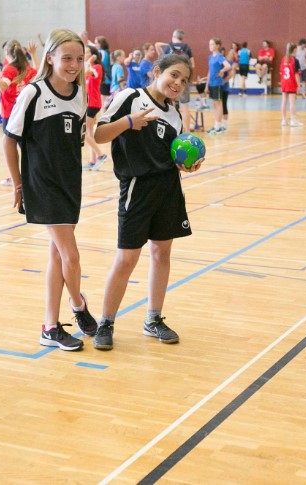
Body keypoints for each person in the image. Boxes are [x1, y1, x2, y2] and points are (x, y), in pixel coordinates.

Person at [91, 53, 203, 350]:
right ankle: (106, 322)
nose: (178, 83)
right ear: (157, 71)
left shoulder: (175, 115)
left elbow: (171, 155)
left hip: (168, 190)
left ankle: (153, 319)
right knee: (127, 259)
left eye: (184, 80)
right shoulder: (130, 97)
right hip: (136, 189)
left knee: (161, 254)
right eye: (174, 75)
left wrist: (185, 165)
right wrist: (129, 122)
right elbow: (99, 135)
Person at [3, 28, 99, 351]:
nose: (74, 65)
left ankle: (50, 326)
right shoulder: (33, 93)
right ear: (49, 58)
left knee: (57, 255)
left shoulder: (80, 95)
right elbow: (9, 139)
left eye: (79, 59)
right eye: (67, 58)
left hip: (70, 182)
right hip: (41, 185)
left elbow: (75, 141)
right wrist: (17, 183)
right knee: (71, 255)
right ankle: (78, 305)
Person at [0, 39, 36, 185]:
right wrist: (33, 55)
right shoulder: (26, 67)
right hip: (25, 112)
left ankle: (16, 178)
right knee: (25, 147)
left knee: (10, 146)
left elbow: (3, 86)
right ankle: (32, 175)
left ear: (7, 53)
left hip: (10, 113)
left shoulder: (10, 69)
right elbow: (38, 73)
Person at [155, 29, 195, 129]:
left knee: (170, 105)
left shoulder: (169, 46)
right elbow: (192, 65)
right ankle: (186, 131)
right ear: (182, 38)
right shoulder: (187, 47)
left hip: (170, 81)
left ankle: (171, 129)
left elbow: (160, 54)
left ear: (173, 36)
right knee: (185, 107)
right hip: (183, 81)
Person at [84, 46, 108, 170]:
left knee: (82, 132)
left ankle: (101, 155)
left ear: (93, 55)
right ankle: (92, 161)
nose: (85, 53)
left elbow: (91, 73)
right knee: (89, 132)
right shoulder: (88, 68)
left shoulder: (97, 67)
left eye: (87, 52)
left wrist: (89, 62)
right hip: (88, 103)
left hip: (93, 103)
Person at [206, 38, 231, 135]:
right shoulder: (210, 57)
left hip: (217, 83)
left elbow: (228, 66)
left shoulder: (219, 56)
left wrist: (222, 71)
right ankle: (216, 125)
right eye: (210, 44)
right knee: (214, 104)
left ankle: (218, 126)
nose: (210, 46)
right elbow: (209, 71)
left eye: (212, 44)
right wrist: (207, 85)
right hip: (211, 83)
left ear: (217, 45)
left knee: (219, 104)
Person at [279, 42, 302, 127]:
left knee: (284, 101)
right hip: (291, 82)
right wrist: (299, 85)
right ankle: (293, 120)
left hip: (284, 82)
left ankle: (283, 120)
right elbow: (296, 74)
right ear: (294, 50)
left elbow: (281, 72)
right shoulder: (295, 60)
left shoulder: (283, 59)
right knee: (292, 102)